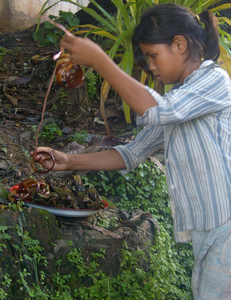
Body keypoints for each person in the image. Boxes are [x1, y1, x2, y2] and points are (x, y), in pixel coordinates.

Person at [31, 4, 231, 299]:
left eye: (152, 55)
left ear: (179, 44)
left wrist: (100, 60)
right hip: (209, 229)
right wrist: (67, 161)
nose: (150, 66)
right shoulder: (179, 100)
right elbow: (131, 153)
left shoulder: (214, 81)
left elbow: (157, 109)